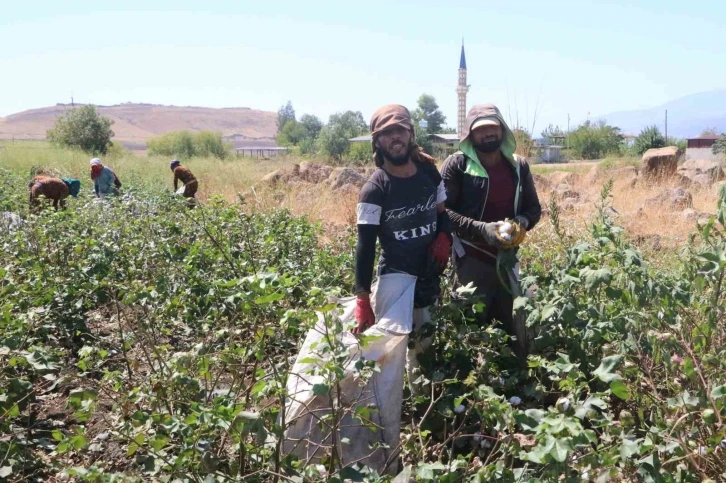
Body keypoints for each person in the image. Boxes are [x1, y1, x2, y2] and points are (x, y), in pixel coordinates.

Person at [354, 104, 452, 394]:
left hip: (428, 275)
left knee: (424, 346)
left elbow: (443, 212)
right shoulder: (375, 188)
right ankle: (394, 410)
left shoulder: (428, 173)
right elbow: (365, 245)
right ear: (377, 141)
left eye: (400, 130)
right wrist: (362, 299)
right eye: (387, 133)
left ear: (410, 134)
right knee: (390, 351)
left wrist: (444, 237)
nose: (395, 137)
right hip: (396, 278)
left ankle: (423, 405)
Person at [441, 104, 542, 360]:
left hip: (507, 259)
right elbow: (443, 213)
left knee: (510, 324)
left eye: (492, 127)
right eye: (481, 129)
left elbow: (533, 209)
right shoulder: (457, 165)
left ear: (502, 130)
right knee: (472, 327)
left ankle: (512, 384)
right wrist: (482, 230)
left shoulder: (518, 166)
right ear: (470, 135)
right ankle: (473, 389)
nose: (488, 133)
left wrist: (520, 223)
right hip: (470, 259)